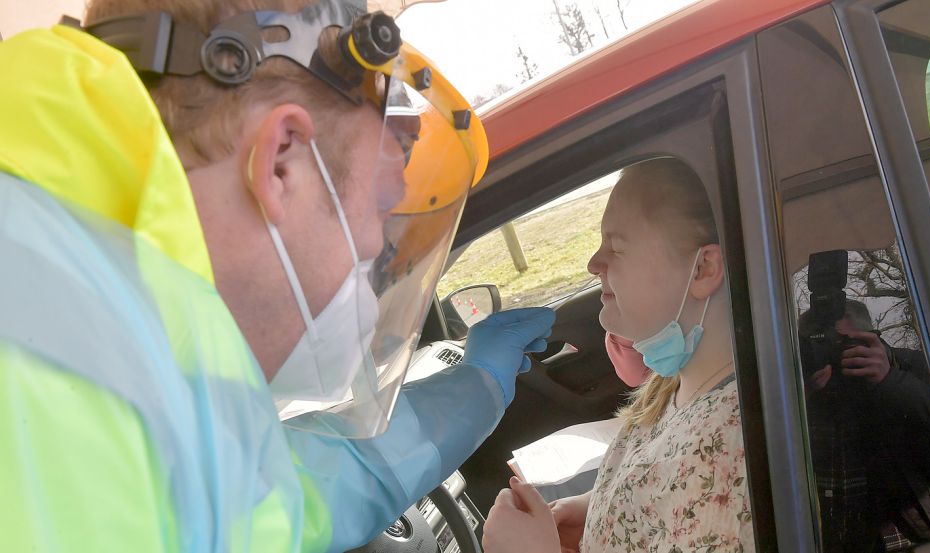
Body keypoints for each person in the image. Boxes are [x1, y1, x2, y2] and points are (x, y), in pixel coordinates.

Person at [0, 1, 555, 551]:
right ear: (281, 164)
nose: (372, 255)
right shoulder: (62, 396)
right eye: (378, 218)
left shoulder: (107, 328)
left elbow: (282, 498)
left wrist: (475, 386)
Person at [482, 157, 754, 553]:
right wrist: (599, 511)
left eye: (617, 246)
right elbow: (664, 493)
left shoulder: (727, 453)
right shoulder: (676, 382)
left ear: (703, 269)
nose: (594, 263)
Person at [799, 299, 930, 552]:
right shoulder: (798, 391)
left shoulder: (913, 366)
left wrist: (890, 381)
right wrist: (799, 402)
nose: (832, 355)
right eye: (819, 347)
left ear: (871, 337)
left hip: (923, 535)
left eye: (843, 344)